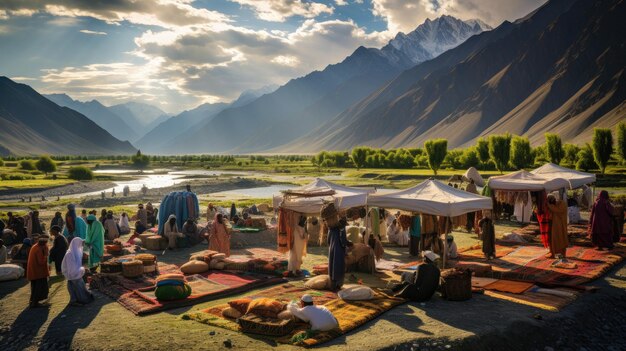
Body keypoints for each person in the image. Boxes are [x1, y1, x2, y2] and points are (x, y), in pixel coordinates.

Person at [61, 237, 94, 306]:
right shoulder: (70, 254)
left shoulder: (76, 251)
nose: (81, 246)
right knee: (79, 286)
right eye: (80, 244)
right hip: (71, 273)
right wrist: (82, 269)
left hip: (73, 272)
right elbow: (72, 269)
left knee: (72, 286)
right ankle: (80, 300)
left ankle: (74, 300)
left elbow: (76, 265)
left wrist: (82, 268)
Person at [27, 235, 50, 308]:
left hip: (36, 272)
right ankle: (34, 303)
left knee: (35, 288)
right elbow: (41, 262)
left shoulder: (36, 246)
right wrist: (46, 255)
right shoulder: (38, 249)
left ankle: (33, 302)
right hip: (37, 272)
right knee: (38, 288)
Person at [327, 215, 348, 291]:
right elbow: (343, 241)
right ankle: (337, 285)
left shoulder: (331, 229)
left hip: (332, 249)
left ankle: (332, 284)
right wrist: (346, 245)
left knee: (332, 266)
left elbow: (328, 241)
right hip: (339, 250)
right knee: (338, 266)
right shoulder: (341, 229)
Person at [546, 194, 569, 259]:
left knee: (560, 240)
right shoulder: (554, 205)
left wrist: (548, 204)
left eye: (551, 199)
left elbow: (556, 210)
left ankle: (562, 254)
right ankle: (553, 253)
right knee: (552, 240)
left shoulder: (562, 204)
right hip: (553, 226)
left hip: (560, 226)